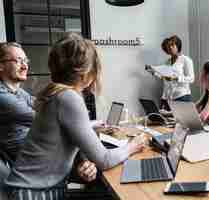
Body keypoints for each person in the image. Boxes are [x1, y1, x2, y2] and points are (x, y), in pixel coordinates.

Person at [4, 33, 144, 199]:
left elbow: (62, 141)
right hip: (34, 194)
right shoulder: (68, 97)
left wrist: (84, 161)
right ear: (86, 72)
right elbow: (105, 160)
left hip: (31, 190)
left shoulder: (56, 93)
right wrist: (133, 145)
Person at [0, 42, 99, 183]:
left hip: (43, 158)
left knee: (92, 163)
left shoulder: (18, 92)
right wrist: (79, 119)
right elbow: (45, 118)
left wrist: (77, 118)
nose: (25, 66)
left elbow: (43, 105)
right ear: (1, 65)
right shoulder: (2, 96)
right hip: (33, 169)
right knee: (100, 167)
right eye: (18, 61)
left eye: (25, 60)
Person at [146, 35, 195, 111]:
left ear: (178, 46)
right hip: (168, 98)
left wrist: (176, 78)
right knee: (167, 121)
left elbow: (191, 78)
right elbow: (165, 78)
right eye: (168, 46)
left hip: (182, 97)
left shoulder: (185, 60)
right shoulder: (167, 62)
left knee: (181, 122)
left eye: (172, 45)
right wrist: (154, 72)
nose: (170, 47)